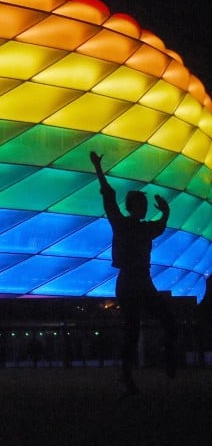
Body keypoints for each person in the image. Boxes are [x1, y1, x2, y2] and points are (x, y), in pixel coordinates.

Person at [89, 150, 177, 395]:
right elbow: (108, 196)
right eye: (142, 205)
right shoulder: (121, 223)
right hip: (129, 281)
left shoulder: (145, 228)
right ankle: (127, 376)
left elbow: (160, 225)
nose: (146, 208)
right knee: (133, 329)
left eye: (147, 206)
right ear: (132, 207)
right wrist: (98, 168)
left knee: (167, 321)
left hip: (142, 282)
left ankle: (166, 357)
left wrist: (166, 211)